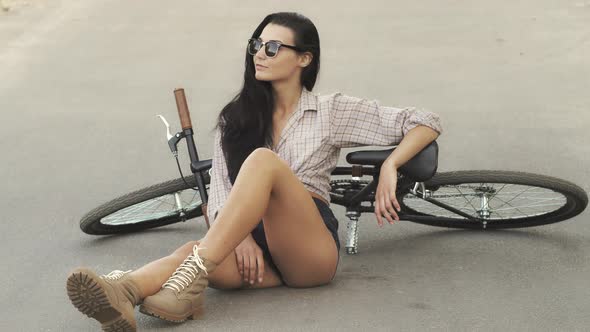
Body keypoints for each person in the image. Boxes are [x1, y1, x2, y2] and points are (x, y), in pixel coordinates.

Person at [65, 11, 442, 331]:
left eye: (273, 47)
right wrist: (236, 235)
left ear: (304, 59)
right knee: (191, 249)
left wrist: (391, 164)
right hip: (253, 251)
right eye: (256, 45)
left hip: (307, 248)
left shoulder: (329, 111)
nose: (260, 54)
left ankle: (186, 285)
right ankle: (125, 292)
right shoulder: (236, 119)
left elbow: (424, 120)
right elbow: (218, 197)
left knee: (262, 162)